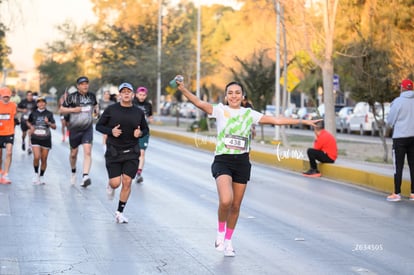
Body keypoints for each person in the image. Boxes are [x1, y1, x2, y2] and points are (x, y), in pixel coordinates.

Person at [175, 76, 320, 257]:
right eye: (230, 93)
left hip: (242, 162)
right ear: (226, 97)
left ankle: (228, 240)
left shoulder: (249, 114)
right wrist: (183, 89)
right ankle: (220, 232)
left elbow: (275, 120)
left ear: (243, 96)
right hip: (223, 160)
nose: (234, 96)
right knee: (226, 200)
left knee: (236, 206)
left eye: (237, 93)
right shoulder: (220, 111)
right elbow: (198, 102)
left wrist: (303, 122)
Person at [96, 82, 149, 223]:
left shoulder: (138, 112)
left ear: (132, 94)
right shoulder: (111, 110)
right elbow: (99, 126)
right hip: (114, 151)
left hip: (132, 151)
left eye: (128, 91)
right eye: (123, 91)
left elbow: (146, 130)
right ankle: (110, 185)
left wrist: (140, 133)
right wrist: (111, 131)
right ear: (120, 94)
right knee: (115, 183)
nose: (126, 94)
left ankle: (119, 212)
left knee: (127, 182)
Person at [59, 76, 98, 187]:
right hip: (74, 129)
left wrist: (96, 111)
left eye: (87, 83)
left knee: (88, 151)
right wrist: (73, 110)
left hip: (87, 128)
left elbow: (95, 106)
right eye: (82, 84)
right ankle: (73, 171)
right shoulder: (72, 97)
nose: (85, 85)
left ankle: (85, 176)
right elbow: (61, 109)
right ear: (78, 86)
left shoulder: (91, 96)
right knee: (73, 154)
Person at [386, 79, 414, 202]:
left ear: (402, 88)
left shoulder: (397, 102)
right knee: (413, 166)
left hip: (399, 138)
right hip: (413, 138)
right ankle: (413, 193)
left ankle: (397, 193)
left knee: (398, 166)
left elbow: (390, 121)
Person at [27, 97, 56, 185]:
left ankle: (42, 176)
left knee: (44, 159)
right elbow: (28, 122)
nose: (41, 104)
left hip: (46, 138)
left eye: (43, 102)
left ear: (45, 104)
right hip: (35, 138)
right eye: (39, 102)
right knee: (36, 157)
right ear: (37, 104)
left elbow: (54, 127)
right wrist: (31, 127)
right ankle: (36, 174)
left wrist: (48, 123)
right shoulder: (33, 113)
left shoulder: (49, 114)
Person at [132, 86, 153, 183]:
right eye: (140, 94)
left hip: (144, 132)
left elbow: (150, 116)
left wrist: (150, 119)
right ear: (136, 95)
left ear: (146, 96)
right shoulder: (132, 103)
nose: (141, 96)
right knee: (132, 152)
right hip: (132, 131)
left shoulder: (148, 105)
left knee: (142, 152)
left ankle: (139, 173)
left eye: (144, 95)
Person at [0, 87, 18, 184]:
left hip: (9, 132)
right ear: (1, 96)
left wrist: (15, 122)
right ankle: (0, 172)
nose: (6, 98)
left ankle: (6, 174)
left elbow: (14, 117)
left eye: (7, 96)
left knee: (9, 153)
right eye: (4, 96)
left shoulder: (13, 106)